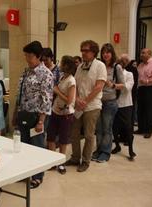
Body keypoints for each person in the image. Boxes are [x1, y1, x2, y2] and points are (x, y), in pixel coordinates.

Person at [12, 41, 53, 188]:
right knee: (23, 145)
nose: (27, 58)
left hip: (37, 117)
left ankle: (38, 176)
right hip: (24, 114)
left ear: (38, 56)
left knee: (37, 147)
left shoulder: (46, 74)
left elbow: (46, 98)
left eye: (30, 56)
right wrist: (15, 114)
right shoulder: (26, 71)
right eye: (26, 55)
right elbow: (20, 94)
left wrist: (41, 121)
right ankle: (25, 172)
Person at [65, 40, 106, 172]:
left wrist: (85, 101)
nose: (83, 53)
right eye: (82, 50)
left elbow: (99, 86)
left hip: (92, 106)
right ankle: (75, 157)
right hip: (78, 105)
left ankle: (86, 161)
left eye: (86, 50)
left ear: (93, 52)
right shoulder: (80, 66)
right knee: (74, 133)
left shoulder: (100, 66)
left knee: (88, 135)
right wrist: (77, 99)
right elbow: (74, 84)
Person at [92, 43, 125, 163]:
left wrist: (112, 85)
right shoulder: (99, 66)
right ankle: (98, 150)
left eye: (108, 52)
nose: (105, 54)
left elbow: (123, 85)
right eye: (104, 52)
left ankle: (105, 152)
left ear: (112, 54)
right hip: (97, 101)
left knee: (107, 128)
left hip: (110, 102)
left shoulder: (117, 67)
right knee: (98, 129)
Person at [46, 56, 76, 174]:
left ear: (67, 65)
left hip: (66, 113)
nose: (59, 65)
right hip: (55, 110)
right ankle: (53, 162)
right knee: (51, 136)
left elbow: (69, 100)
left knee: (63, 139)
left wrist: (57, 91)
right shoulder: (63, 77)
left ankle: (61, 163)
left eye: (62, 63)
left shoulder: (71, 80)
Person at [112, 55, 136, 160]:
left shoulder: (129, 74)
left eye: (122, 63)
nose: (119, 64)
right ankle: (117, 146)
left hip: (126, 104)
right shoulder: (113, 73)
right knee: (114, 128)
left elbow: (127, 88)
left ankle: (131, 150)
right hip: (114, 103)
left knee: (128, 128)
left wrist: (115, 85)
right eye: (118, 62)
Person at [135, 48, 152, 138]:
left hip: (150, 89)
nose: (141, 54)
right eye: (141, 53)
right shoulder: (141, 64)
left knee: (149, 111)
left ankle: (148, 131)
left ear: (149, 54)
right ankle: (141, 129)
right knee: (140, 110)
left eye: (143, 53)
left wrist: (147, 81)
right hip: (141, 89)